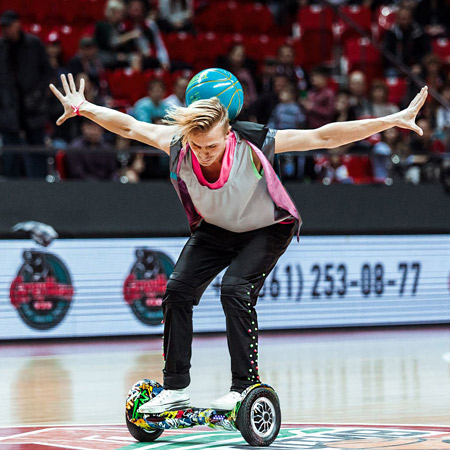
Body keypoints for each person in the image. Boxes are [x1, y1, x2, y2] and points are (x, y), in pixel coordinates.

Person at [50, 72, 428, 413]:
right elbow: (130, 126)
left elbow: (324, 136)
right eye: (198, 148)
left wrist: (390, 120)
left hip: (265, 228)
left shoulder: (257, 141)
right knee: (177, 290)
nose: (204, 153)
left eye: (211, 147)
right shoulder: (178, 143)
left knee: (234, 290)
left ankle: (243, 386)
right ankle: (176, 386)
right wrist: (83, 108)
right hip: (215, 230)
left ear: (228, 132)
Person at [0, 10, 52, 178]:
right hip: (8, 109)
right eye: (3, 27)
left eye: (9, 26)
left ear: (18, 24)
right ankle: (12, 192)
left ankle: (40, 189)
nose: (6, 30)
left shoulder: (34, 44)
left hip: (33, 107)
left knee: (37, 151)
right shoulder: (1, 47)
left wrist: (39, 96)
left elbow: (48, 73)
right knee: (11, 154)